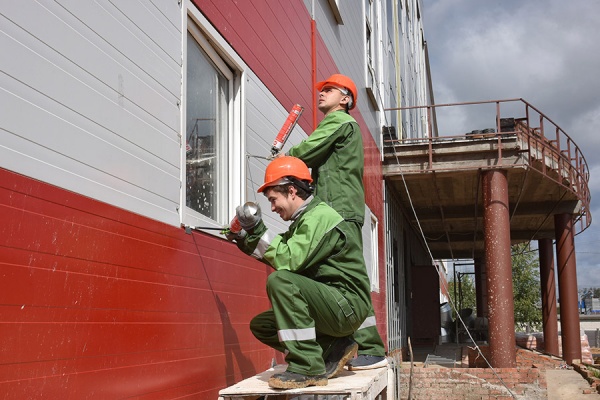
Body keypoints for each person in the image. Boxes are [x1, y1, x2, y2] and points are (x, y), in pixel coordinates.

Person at [226, 156, 376, 389]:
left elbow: (289, 260)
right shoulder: (305, 221)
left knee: (281, 281)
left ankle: (307, 367)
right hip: (333, 304)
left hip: (345, 307)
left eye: (273, 200)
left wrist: (257, 229)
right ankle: (332, 348)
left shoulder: (320, 217)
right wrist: (245, 239)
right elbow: (279, 252)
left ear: (292, 191)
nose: (272, 207)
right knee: (263, 325)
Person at [283, 73, 387, 370]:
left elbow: (305, 152)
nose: (321, 93)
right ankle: (343, 343)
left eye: (329, 89)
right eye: (322, 89)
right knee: (332, 278)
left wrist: (284, 159)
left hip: (339, 213)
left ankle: (371, 347)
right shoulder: (339, 126)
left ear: (345, 99)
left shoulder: (340, 121)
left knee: (350, 279)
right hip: (335, 212)